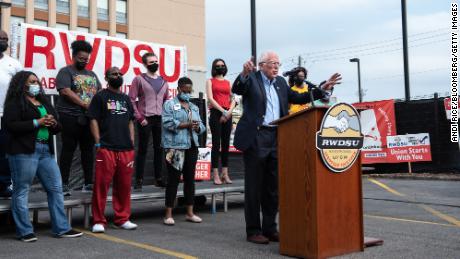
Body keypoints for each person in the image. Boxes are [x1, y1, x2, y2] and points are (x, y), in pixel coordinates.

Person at [232, 51, 341, 244]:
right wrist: (243, 73)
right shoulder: (252, 79)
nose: (276, 67)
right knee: (254, 187)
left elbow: (298, 98)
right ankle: (253, 230)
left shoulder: (282, 83)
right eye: (272, 63)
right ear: (262, 65)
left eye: (278, 64)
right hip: (257, 136)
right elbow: (238, 88)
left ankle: (270, 228)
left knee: (273, 187)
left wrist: (323, 87)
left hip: (277, 136)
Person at [4, 71, 83, 242]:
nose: (36, 84)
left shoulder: (44, 102)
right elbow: (11, 125)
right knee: (22, 189)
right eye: (32, 81)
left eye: (37, 81)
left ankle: (61, 228)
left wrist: (54, 123)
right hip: (24, 151)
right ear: (21, 84)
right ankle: (25, 231)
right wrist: (37, 122)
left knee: (55, 188)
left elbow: (58, 127)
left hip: (44, 151)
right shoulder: (15, 102)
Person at [88, 67, 137, 233]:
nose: (118, 76)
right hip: (106, 148)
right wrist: (97, 142)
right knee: (101, 185)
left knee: (124, 186)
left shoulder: (125, 99)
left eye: (120, 74)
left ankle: (122, 219)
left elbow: (131, 120)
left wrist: (131, 141)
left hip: (125, 149)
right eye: (114, 74)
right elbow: (93, 120)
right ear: (107, 77)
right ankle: (98, 220)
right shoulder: (100, 97)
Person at [56, 40, 102, 196]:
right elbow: (65, 91)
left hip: (88, 119)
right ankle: (63, 183)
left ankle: (88, 183)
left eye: (86, 59)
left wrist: (95, 108)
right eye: (81, 58)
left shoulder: (92, 74)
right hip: (69, 116)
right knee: (68, 149)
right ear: (74, 56)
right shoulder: (65, 72)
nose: (84, 61)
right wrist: (85, 104)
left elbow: (99, 92)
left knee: (88, 151)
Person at [162, 77, 206, 226]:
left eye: (189, 91)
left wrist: (197, 127)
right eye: (185, 91)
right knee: (173, 180)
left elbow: (202, 127)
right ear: (179, 89)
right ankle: (168, 214)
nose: (187, 93)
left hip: (191, 146)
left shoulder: (194, 107)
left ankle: (190, 213)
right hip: (175, 147)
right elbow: (167, 122)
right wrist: (186, 124)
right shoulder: (169, 104)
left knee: (189, 180)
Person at [129, 52, 170, 190]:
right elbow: (131, 100)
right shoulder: (139, 79)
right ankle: (139, 180)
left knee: (159, 149)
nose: (154, 64)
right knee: (142, 149)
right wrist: (139, 118)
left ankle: (158, 179)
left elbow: (166, 100)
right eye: (151, 62)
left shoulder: (164, 81)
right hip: (145, 118)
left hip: (159, 119)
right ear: (145, 64)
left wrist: (166, 116)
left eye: (156, 61)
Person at [206, 58, 236, 185]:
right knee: (216, 144)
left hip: (228, 113)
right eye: (218, 66)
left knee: (225, 145)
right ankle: (215, 174)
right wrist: (222, 111)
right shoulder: (210, 81)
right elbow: (210, 98)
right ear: (214, 68)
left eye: (222, 65)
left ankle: (225, 173)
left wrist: (229, 111)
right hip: (216, 113)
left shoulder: (229, 82)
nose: (220, 67)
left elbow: (233, 98)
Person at [0, 30, 22, 198]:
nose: (4, 41)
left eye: (6, 39)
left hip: (6, 115)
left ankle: (3, 185)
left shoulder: (13, 63)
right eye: (1, 38)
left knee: (5, 152)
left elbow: (21, 88)